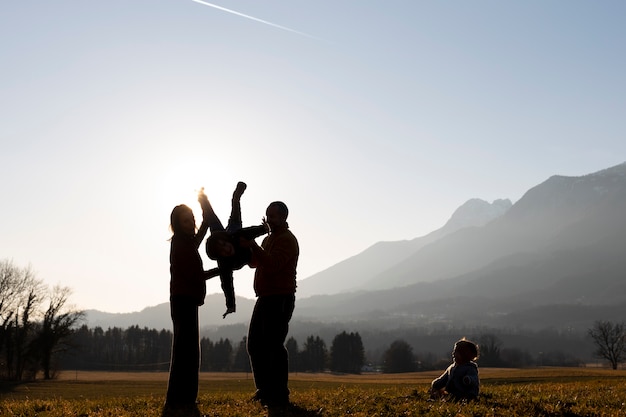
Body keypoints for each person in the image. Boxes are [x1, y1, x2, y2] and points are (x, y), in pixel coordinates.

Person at [164, 189, 216, 416]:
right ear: (177, 224)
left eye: (191, 219)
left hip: (186, 300)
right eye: (186, 220)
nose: (191, 223)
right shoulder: (180, 244)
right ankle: (179, 400)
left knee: (187, 351)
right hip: (183, 301)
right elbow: (195, 275)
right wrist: (219, 270)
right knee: (186, 352)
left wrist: (204, 205)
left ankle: (183, 400)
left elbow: (202, 231)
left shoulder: (186, 242)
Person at [243, 201, 299, 409]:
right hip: (266, 297)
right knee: (255, 344)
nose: (269, 220)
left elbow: (273, 265)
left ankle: (280, 393)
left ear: (284, 217)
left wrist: (252, 245)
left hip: (280, 298)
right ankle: (265, 390)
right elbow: (255, 263)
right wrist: (245, 248)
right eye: (267, 216)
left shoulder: (287, 240)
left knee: (273, 345)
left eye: (273, 216)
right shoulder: (269, 239)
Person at [204, 181, 268, 318]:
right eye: (222, 251)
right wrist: (230, 305)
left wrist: (264, 229)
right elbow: (227, 285)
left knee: (217, 218)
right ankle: (205, 198)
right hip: (225, 235)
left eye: (224, 245)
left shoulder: (239, 238)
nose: (226, 249)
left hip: (232, 233)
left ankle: (235, 197)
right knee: (214, 221)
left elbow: (250, 232)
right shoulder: (224, 264)